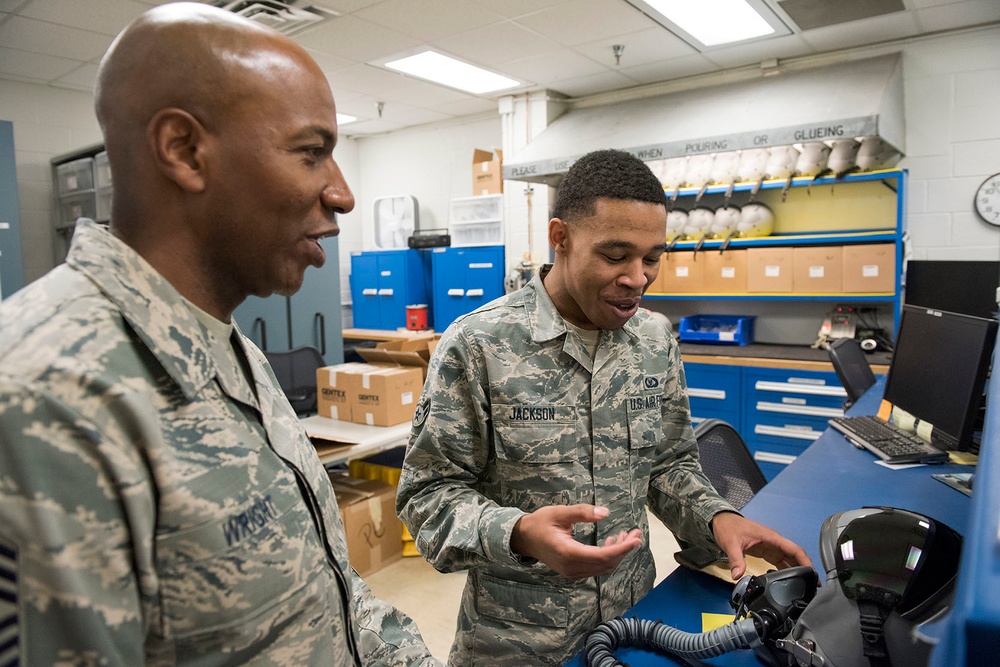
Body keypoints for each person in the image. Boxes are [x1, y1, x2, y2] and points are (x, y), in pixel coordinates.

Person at [0, 3, 441, 665]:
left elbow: (329, 596)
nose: (343, 194)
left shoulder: (225, 348)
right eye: (310, 152)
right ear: (185, 151)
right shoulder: (44, 396)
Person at [396, 149, 812, 665]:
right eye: (615, 256)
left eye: (653, 258)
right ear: (560, 238)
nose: (637, 278)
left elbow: (669, 465)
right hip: (516, 643)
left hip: (633, 623)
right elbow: (426, 497)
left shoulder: (654, 339)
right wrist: (519, 532)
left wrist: (717, 518)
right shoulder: (477, 344)